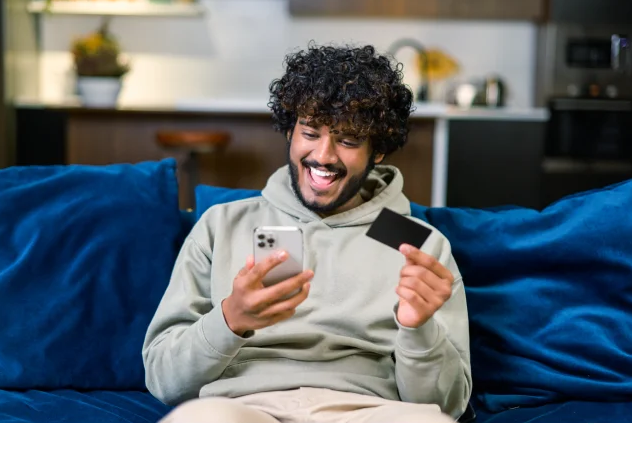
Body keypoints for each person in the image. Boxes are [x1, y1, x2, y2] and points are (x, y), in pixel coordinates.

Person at [142, 42, 472, 428]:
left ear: (377, 150)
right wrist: (231, 319)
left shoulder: (413, 242)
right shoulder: (223, 225)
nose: (324, 156)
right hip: (244, 409)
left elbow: (446, 405)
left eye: (348, 140)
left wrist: (418, 331)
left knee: (430, 430)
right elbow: (163, 380)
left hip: (371, 413)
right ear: (290, 132)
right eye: (310, 133)